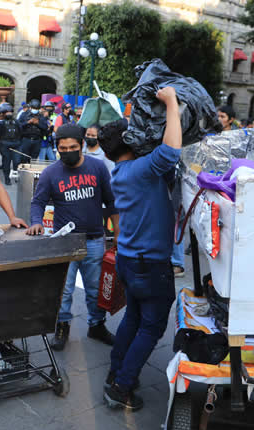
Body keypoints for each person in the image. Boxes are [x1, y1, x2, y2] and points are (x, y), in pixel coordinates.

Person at [99, 87, 182, 412]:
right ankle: (121, 388)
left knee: (133, 319)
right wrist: (172, 102)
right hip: (149, 264)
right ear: (130, 142)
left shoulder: (123, 171)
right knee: (151, 326)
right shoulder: (141, 170)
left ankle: (114, 373)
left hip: (131, 260)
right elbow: (171, 150)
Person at [26, 124, 118, 351]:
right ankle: (62, 326)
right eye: (62, 148)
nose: (68, 151)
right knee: (63, 289)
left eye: (73, 147)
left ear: (82, 145)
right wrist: (36, 222)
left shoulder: (98, 168)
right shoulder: (51, 173)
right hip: (64, 242)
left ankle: (97, 325)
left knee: (95, 288)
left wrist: (118, 233)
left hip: (94, 239)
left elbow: (111, 202)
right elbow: (37, 202)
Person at [0, 105, 22, 185]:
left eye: (10, 112)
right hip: (5, 144)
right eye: (7, 112)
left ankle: (15, 176)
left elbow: (21, 131)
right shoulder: (1, 123)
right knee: (6, 162)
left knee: (17, 161)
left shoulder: (16, 121)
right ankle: (7, 178)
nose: (9, 114)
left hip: (16, 144)